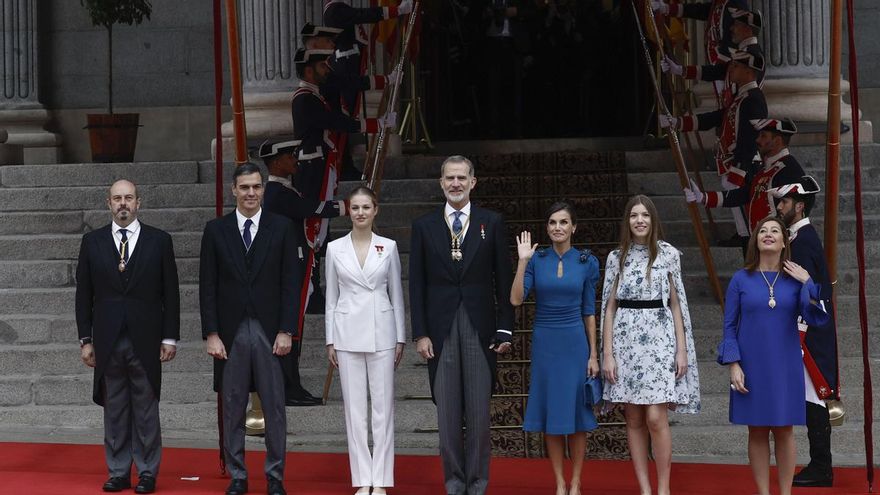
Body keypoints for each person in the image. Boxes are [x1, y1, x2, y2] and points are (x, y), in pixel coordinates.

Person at [409, 155, 515, 495]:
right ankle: (454, 484)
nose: (456, 183)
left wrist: (505, 327)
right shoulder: (424, 226)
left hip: (480, 329)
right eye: (450, 178)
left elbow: (504, 279)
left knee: (480, 416)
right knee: (448, 418)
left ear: (473, 182)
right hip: (439, 333)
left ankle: (478, 484)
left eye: (462, 178)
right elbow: (417, 284)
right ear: (441, 183)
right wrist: (421, 332)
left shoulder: (492, 222)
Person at [199, 162, 301, 495]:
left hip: (271, 330)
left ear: (264, 189)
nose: (251, 193)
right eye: (244, 187)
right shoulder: (216, 230)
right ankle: (238, 475)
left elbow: (291, 283)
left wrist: (287, 329)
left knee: (274, 406)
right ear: (233, 190)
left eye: (256, 187)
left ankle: (275, 476)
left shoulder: (282, 227)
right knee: (232, 405)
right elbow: (208, 286)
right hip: (230, 333)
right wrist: (211, 333)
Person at [75, 179, 180, 494]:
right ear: (108, 203)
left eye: (129, 198)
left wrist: (170, 337)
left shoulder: (159, 241)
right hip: (107, 339)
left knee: (146, 408)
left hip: (146, 339)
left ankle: (147, 471)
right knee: (115, 408)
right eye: (117, 198)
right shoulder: (92, 242)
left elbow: (171, 294)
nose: (123, 203)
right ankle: (119, 471)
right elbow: (84, 295)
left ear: (139, 203)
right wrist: (85, 339)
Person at [717, 216, 830, 495]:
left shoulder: (795, 279)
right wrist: (733, 363)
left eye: (774, 231)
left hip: (786, 363)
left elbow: (817, 317)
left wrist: (809, 281)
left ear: (783, 241)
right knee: (756, 430)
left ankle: (785, 492)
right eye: (762, 231)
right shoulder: (741, 279)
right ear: (756, 240)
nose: (768, 234)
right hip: (751, 365)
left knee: (784, 430)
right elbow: (729, 326)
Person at [600, 195, 700, 495]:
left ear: (653, 220)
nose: (639, 220)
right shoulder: (616, 257)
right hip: (625, 340)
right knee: (633, 416)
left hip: (659, 339)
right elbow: (608, 307)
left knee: (656, 417)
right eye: (634, 215)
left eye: (645, 215)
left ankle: (664, 487)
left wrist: (682, 349)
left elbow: (677, 304)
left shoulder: (668, 255)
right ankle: (644, 488)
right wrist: (607, 353)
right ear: (627, 221)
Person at [292, 48, 396, 314]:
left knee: (321, 228)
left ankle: (314, 288)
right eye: (322, 66)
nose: (327, 69)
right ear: (308, 71)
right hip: (313, 168)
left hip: (321, 164)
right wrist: (376, 124)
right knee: (313, 227)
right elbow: (335, 121)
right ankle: (311, 290)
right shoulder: (305, 99)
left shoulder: (315, 96)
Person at [509, 202, 599, 495]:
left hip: (575, 342)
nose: (557, 227)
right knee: (552, 412)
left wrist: (594, 354)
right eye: (552, 222)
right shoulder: (538, 259)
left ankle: (576, 482)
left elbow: (589, 310)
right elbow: (516, 300)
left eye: (563, 222)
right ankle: (559, 482)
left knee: (576, 413)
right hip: (545, 341)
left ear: (574, 227)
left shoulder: (587, 261)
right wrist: (523, 261)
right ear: (547, 228)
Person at [325, 186, 406, 495]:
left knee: (383, 409)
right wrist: (330, 340)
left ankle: (381, 479)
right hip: (346, 333)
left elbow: (396, 294)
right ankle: (362, 479)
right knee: (355, 411)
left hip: (382, 332)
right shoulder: (334, 248)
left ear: (376, 210)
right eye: (355, 207)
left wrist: (400, 336)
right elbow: (331, 297)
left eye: (366, 207)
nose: (360, 212)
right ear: (349, 210)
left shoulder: (389, 246)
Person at [260, 137, 347, 407]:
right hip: (287, 269)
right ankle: (287, 387)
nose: (295, 160)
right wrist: (349, 206)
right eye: (289, 157)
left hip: (295, 265)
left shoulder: (287, 190)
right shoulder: (276, 193)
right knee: (290, 327)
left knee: (294, 327)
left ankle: (292, 384)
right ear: (276, 162)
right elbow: (310, 209)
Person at [660, 48, 767, 248]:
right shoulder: (741, 97)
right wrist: (678, 122)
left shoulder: (753, 99)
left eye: (736, 66)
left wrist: (737, 172)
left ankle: (753, 273)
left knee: (751, 231)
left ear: (749, 72)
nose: (731, 69)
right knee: (744, 230)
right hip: (734, 169)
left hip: (744, 171)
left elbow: (750, 140)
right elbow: (718, 118)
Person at [774, 177, 839, 487]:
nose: (778, 206)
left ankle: (822, 467)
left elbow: (809, 294)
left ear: (799, 206)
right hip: (807, 329)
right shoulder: (801, 238)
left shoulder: (802, 240)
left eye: (784, 202)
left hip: (807, 331)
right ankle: (820, 465)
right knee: (811, 398)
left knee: (814, 397)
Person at [683, 118, 805, 253]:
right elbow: (746, 194)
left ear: (777, 141)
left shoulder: (789, 169)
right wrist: (704, 197)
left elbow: (797, 209)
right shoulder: (767, 168)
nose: (758, 140)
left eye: (763, 136)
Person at [661, 7, 765, 104]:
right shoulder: (745, 51)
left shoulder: (752, 54)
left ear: (748, 29)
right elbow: (717, 71)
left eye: (736, 25)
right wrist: (679, 70)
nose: (732, 28)